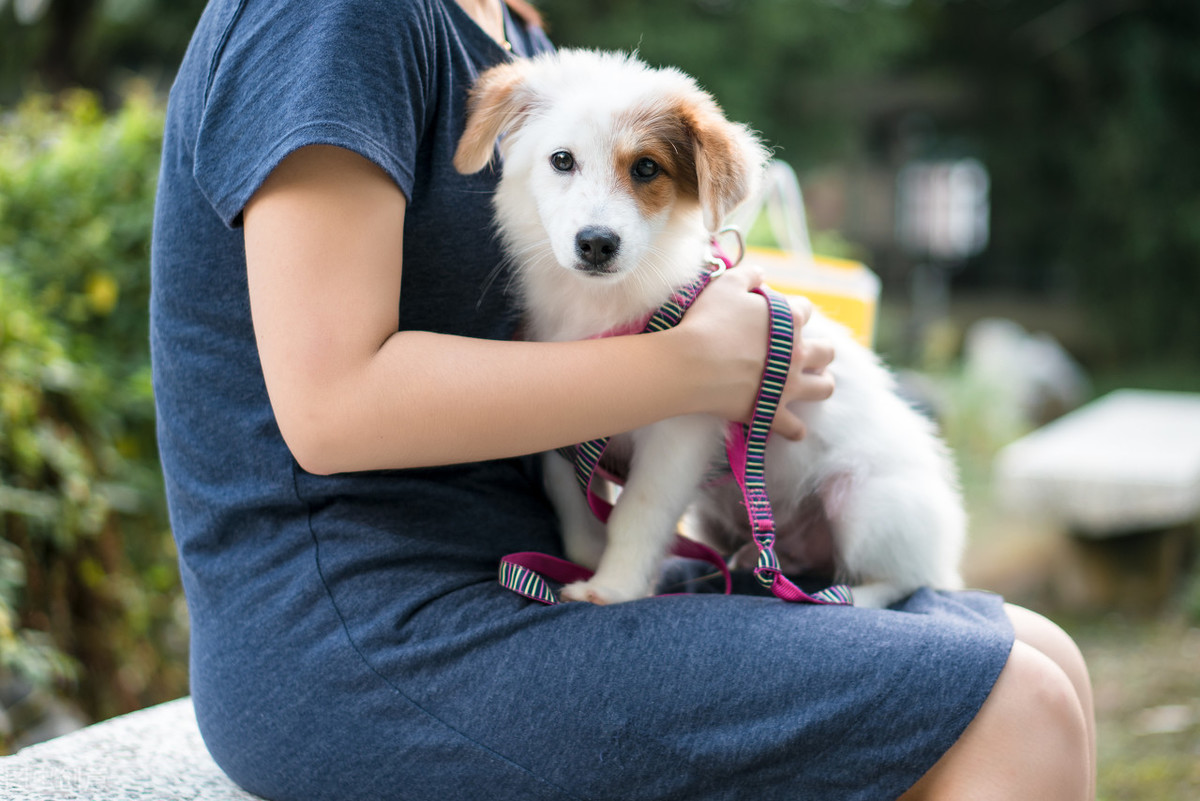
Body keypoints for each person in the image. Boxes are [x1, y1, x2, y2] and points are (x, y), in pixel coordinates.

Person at [150, 1, 1096, 798]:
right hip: (366, 626)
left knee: (1046, 653)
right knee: (1018, 705)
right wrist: (695, 366)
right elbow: (332, 405)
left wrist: (717, 322)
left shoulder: (515, 30)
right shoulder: (338, 17)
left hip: (533, 568)